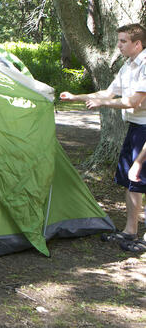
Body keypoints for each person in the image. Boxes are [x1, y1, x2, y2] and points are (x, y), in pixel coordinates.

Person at [59, 23, 146, 251]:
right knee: (132, 181)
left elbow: (133, 101)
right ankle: (130, 232)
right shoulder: (128, 66)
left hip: (145, 129)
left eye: (123, 41)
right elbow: (108, 92)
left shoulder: (145, 65)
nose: (119, 45)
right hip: (135, 127)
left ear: (137, 43)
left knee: (141, 179)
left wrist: (102, 102)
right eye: (119, 41)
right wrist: (76, 97)